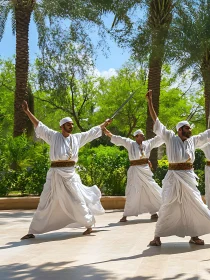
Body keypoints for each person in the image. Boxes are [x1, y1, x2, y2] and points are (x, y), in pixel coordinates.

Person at [145, 90, 210, 246]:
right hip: (174, 177)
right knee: (167, 205)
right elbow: (157, 122)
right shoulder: (169, 137)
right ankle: (157, 236)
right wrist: (150, 102)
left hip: (188, 176)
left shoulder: (193, 141)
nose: (190, 130)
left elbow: (208, 134)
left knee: (196, 204)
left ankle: (194, 235)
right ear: (180, 130)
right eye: (187, 128)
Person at [20, 101, 110, 240]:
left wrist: (104, 124)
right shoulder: (53, 136)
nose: (71, 126)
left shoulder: (76, 138)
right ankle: (33, 230)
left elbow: (91, 132)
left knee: (77, 200)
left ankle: (89, 225)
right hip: (55, 175)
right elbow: (39, 125)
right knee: (45, 201)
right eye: (69, 124)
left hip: (70, 175)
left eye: (72, 124)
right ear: (62, 126)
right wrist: (27, 112)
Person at [102, 128, 163, 222]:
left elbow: (158, 139)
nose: (143, 136)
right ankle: (125, 215)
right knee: (132, 192)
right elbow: (119, 139)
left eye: (143, 135)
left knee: (150, 190)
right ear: (136, 137)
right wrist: (107, 132)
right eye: (141, 135)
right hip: (134, 171)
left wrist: (166, 133)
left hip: (145, 170)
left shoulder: (148, 143)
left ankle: (154, 212)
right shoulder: (130, 143)